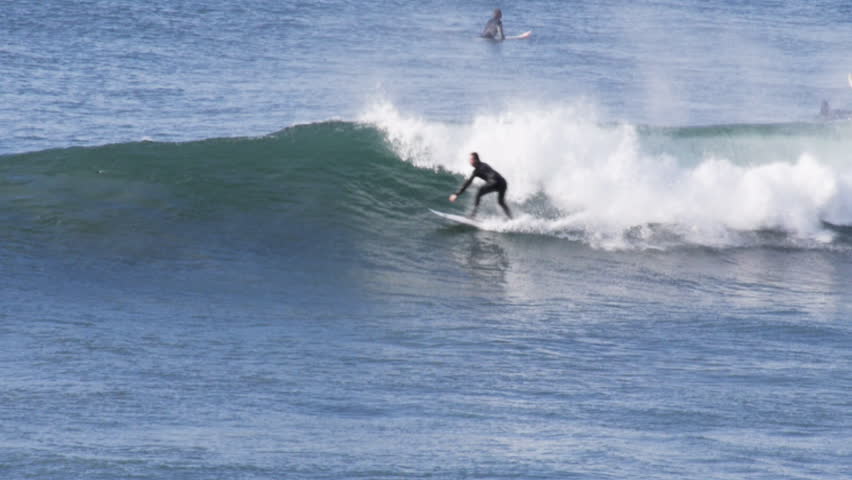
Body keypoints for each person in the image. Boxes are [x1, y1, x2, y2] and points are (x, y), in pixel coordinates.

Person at [449, 152, 512, 219]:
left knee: (479, 191)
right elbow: (468, 182)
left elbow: (468, 183)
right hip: (503, 182)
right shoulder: (483, 165)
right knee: (501, 202)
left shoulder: (477, 170)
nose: (469, 161)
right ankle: (511, 217)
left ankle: (473, 215)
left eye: (471, 159)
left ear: (475, 160)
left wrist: (457, 194)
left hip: (495, 182)